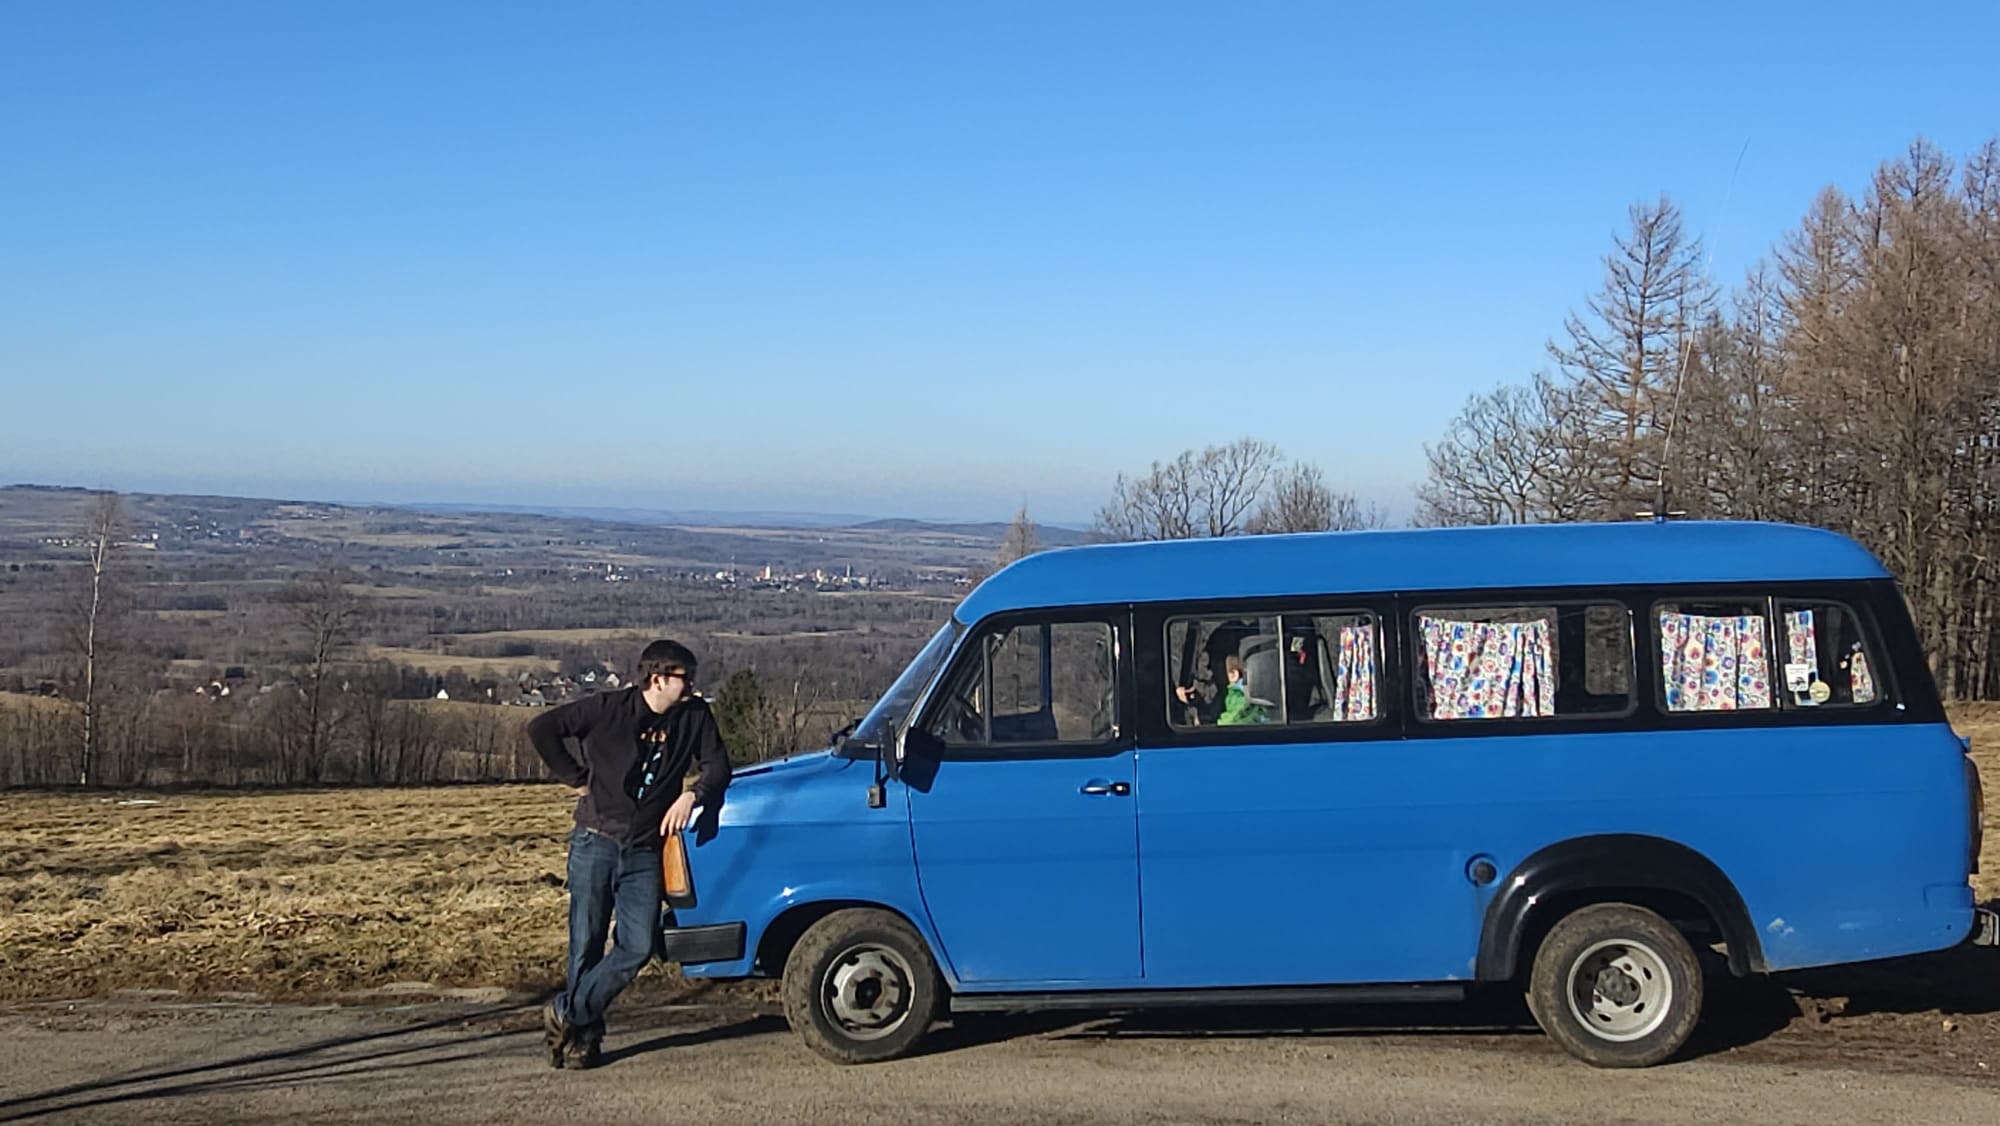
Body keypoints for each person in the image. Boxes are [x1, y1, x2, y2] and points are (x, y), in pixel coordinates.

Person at [526, 639, 730, 1069]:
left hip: (644, 850)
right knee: (586, 943)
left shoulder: (694, 715)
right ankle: (582, 1040)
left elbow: (718, 766)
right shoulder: (607, 709)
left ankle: (566, 1012)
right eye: (685, 678)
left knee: (638, 944)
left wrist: (692, 795)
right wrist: (576, 778)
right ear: (657, 679)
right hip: (595, 841)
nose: (692, 686)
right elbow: (542, 729)